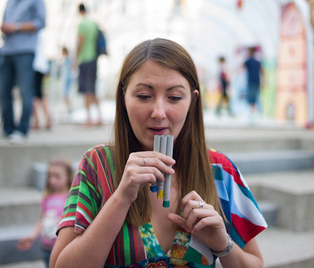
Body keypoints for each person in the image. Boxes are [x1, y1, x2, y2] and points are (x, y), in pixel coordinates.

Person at [50, 38, 267, 268]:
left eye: (174, 97)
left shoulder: (220, 171)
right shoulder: (98, 164)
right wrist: (121, 198)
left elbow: (255, 263)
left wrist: (224, 245)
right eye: (144, 96)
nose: (158, 112)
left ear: (192, 101)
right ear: (123, 97)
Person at [0, 0, 46, 142]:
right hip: (7, 50)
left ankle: (22, 129)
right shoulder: (10, 0)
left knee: (26, 91)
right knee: (3, 91)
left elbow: (41, 22)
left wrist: (17, 26)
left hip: (25, 51)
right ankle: (9, 128)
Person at [17, 158, 73, 268]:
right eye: (50, 176)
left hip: (61, 249)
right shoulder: (47, 197)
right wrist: (32, 236)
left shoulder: (70, 198)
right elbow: (42, 219)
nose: (52, 180)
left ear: (68, 177)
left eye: (57, 176)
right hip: (46, 248)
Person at [76, 3, 102, 126]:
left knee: (86, 89)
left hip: (85, 59)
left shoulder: (82, 23)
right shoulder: (94, 23)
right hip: (94, 59)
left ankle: (89, 119)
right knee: (92, 88)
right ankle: (99, 116)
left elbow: (80, 41)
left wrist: (76, 58)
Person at [32, 30, 51, 130]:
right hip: (42, 65)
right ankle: (47, 119)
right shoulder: (41, 32)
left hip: (35, 66)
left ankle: (37, 121)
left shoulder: (34, 32)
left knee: (34, 95)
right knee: (40, 94)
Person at [243, 47, 263, 116]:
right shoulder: (257, 61)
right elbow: (262, 71)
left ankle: (253, 111)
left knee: (251, 96)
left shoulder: (248, 61)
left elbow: (241, 67)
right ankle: (254, 110)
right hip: (257, 81)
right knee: (255, 96)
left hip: (251, 81)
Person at [60, 46, 74, 115]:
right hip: (67, 78)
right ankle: (69, 108)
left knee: (65, 94)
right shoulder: (67, 59)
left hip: (67, 78)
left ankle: (70, 108)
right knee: (65, 94)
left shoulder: (68, 59)